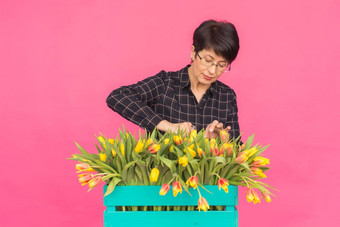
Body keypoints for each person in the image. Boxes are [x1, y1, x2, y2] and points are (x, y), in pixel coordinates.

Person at [106, 20, 240, 139]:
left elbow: (238, 150)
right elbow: (118, 97)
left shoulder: (226, 96)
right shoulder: (165, 84)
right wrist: (167, 126)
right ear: (193, 52)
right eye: (208, 60)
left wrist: (223, 139)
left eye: (221, 65)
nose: (212, 71)